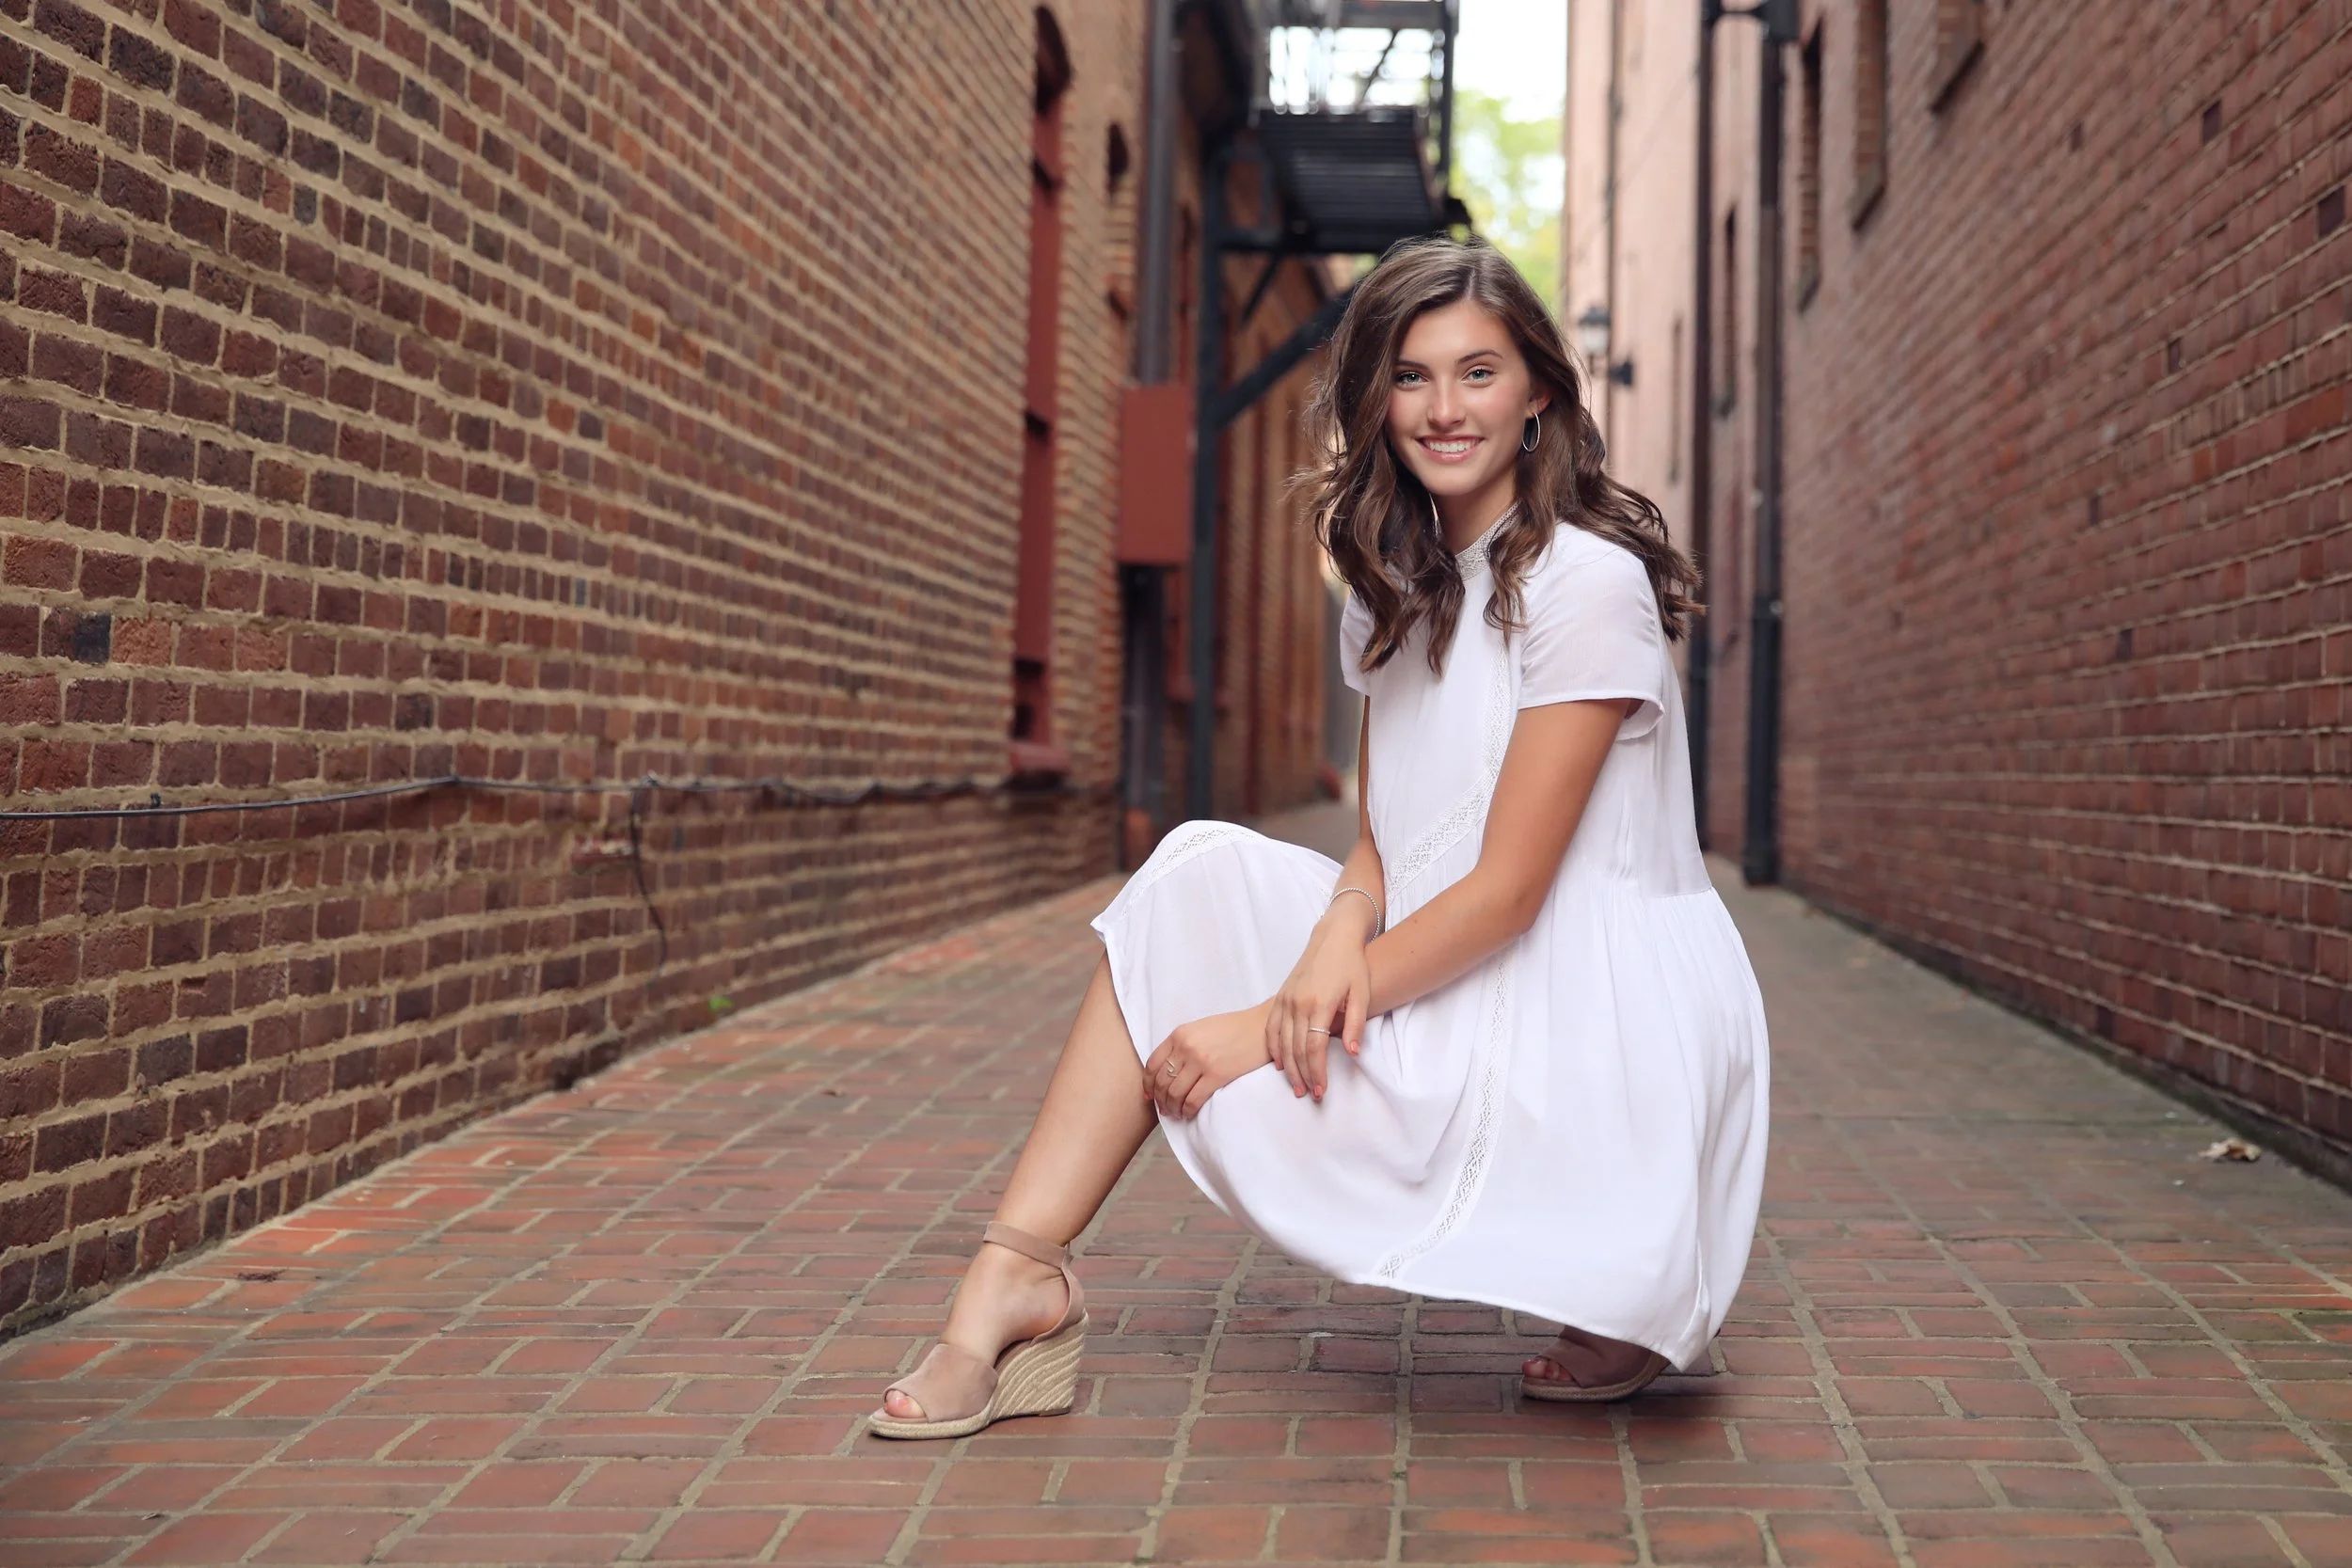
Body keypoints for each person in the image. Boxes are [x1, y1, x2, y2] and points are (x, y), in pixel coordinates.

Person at [869, 236, 1770, 1439]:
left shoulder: (1585, 583)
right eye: (1410, 376)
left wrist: (1259, 1025)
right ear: (1378, 399)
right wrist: (1336, 930)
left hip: (1592, 1005)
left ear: (1539, 390)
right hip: (1452, 941)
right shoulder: (1394, 581)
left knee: (1597, 1270)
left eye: (1479, 372)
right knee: (1194, 868)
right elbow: (1386, 835)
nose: (1444, 409)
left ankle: (1615, 1260)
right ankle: (1013, 1275)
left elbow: (1507, 893)